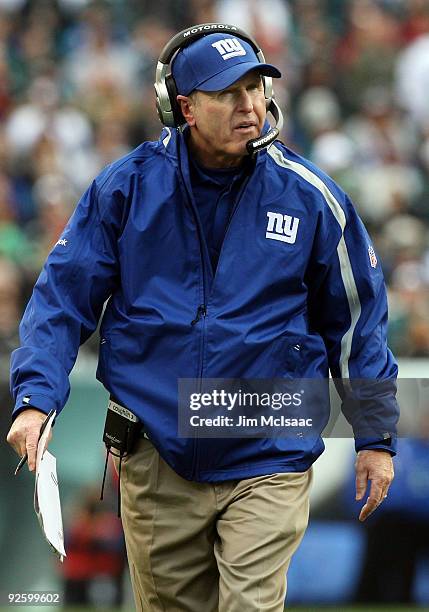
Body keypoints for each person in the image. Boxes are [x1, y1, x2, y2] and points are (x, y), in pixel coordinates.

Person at [7, 23, 398, 612]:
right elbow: (61, 298)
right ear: (184, 108)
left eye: (257, 88)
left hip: (269, 447)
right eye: (228, 93)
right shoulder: (125, 190)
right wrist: (35, 397)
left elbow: (358, 322)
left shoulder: (314, 198)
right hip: (157, 457)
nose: (250, 106)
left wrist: (376, 435)